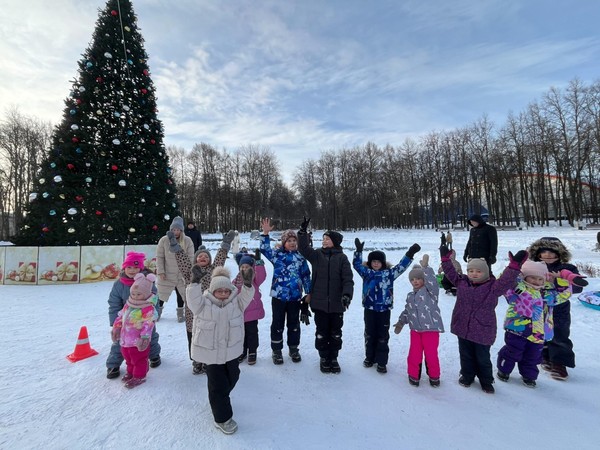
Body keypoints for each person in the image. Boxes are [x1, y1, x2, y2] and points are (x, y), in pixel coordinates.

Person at [441, 244, 527, 394]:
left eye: (478, 271)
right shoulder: (462, 283)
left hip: (482, 329)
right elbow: (450, 273)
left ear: (486, 272)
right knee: (466, 355)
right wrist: (445, 260)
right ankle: (467, 376)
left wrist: (513, 267)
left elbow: (506, 280)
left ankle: (486, 380)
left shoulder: (493, 287)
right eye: (470, 271)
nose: (473, 274)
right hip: (462, 327)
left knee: (482, 357)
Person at [186, 266, 255, 435]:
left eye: (226, 290)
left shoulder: (236, 303)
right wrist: (194, 282)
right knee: (218, 386)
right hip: (211, 353)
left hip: (230, 351)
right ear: (212, 291)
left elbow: (246, 296)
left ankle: (219, 398)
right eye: (219, 291)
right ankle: (222, 418)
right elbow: (192, 298)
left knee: (233, 377)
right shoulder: (202, 304)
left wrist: (247, 284)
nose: (223, 294)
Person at [353, 238, 419, 373]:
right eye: (373, 261)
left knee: (383, 335)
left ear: (382, 263)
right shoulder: (367, 273)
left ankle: (382, 361)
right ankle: (369, 357)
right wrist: (358, 251)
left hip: (384, 310)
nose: (376, 264)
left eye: (378, 262)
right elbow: (356, 264)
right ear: (370, 263)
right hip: (369, 309)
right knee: (370, 334)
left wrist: (410, 253)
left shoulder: (389, 274)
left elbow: (402, 266)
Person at [298, 217, 354, 374]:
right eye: (323, 239)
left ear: (335, 242)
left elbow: (348, 279)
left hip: (337, 304)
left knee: (336, 333)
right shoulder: (316, 256)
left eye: (327, 239)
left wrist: (347, 295)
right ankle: (323, 357)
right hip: (319, 303)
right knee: (322, 333)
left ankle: (334, 358)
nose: (324, 241)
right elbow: (303, 248)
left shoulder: (342, 258)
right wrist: (302, 233)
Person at [528, 237, 588, 380]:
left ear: (559, 254)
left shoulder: (567, 268)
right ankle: (545, 356)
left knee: (559, 334)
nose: (547, 255)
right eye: (544, 252)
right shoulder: (533, 267)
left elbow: (577, 286)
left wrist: (557, 280)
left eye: (552, 252)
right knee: (539, 333)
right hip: (538, 308)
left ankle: (560, 363)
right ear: (537, 253)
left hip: (559, 309)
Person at [180, 232, 235, 375]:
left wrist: (225, 245)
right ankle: (196, 360)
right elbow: (182, 260)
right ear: (195, 260)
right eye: (200, 256)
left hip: (210, 310)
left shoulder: (213, 271)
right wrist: (175, 247)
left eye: (206, 256)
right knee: (193, 335)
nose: (203, 258)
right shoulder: (190, 272)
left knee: (209, 335)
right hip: (193, 310)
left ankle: (207, 360)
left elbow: (220, 259)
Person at [260, 218, 312, 365]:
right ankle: (276, 350)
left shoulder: (301, 258)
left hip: (295, 297)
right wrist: (265, 233)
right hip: (279, 296)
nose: (292, 243)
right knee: (277, 323)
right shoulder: (277, 255)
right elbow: (264, 249)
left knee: (294, 323)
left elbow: (306, 275)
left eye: (294, 240)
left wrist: (308, 292)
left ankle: (293, 348)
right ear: (284, 243)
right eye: (289, 240)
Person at [496, 260, 552, 388]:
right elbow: (503, 281)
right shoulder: (517, 289)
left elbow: (564, 294)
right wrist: (512, 270)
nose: (536, 281)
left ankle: (529, 376)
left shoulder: (547, 293)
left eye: (540, 279)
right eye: (532, 277)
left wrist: (564, 279)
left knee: (533, 355)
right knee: (513, 351)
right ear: (524, 276)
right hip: (517, 328)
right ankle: (504, 370)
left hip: (539, 332)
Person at [106, 251, 161, 379]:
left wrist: (154, 316)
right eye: (129, 267)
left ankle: (154, 355)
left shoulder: (148, 283)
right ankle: (113, 364)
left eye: (136, 267)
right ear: (124, 267)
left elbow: (155, 300)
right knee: (120, 342)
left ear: (141, 268)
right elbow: (114, 303)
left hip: (145, 319)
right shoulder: (119, 284)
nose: (132, 270)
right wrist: (115, 322)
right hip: (126, 320)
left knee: (150, 338)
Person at [393, 254, 444, 387]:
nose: (415, 281)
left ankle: (434, 376)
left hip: (430, 330)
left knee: (431, 354)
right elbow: (407, 311)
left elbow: (433, 282)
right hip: (415, 330)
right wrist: (400, 322)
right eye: (412, 279)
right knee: (414, 354)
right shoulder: (410, 296)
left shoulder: (430, 293)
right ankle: (413, 374)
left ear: (424, 279)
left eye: (418, 279)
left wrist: (426, 268)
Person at [111, 272, 158, 389]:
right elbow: (120, 316)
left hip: (138, 340)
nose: (136, 296)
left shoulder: (147, 308)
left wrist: (144, 338)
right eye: (133, 293)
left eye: (139, 294)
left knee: (139, 359)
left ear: (146, 294)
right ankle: (131, 372)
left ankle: (139, 376)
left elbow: (148, 324)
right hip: (125, 339)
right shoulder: (128, 304)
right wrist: (116, 327)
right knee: (128, 357)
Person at [156, 216, 195, 322]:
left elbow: (191, 258)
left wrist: (188, 272)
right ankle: (157, 312)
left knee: (182, 294)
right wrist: (161, 271)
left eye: (178, 230)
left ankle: (180, 313)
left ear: (181, 230)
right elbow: (160, 257)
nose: (176, 232)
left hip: (181, 274)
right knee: (161, 294)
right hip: (167, 273)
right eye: (173, 230)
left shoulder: (187, 241)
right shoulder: (164, 240)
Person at [233, 250, 267, 365]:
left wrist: (259, 264)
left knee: (252, 333)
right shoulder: (236, 280)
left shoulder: (255, 279)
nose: (244, 269)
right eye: (242, 267)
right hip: (240, 312)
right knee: (241, 334)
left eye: (247, 266)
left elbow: (262, 276)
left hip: (252, 313)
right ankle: (242, 351)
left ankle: (252, 351)